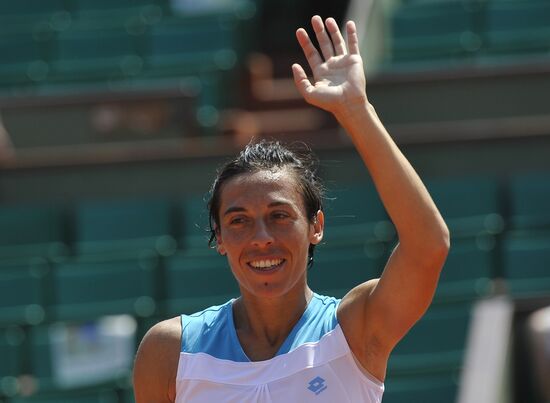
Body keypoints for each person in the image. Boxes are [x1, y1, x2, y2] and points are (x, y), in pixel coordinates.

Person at [133, 15, 450, 402]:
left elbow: (428, 245)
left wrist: (356, 110)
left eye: (279, 216)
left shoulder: (354, 329)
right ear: (218, 237)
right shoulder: (169, 350)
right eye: (239, 221)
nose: (261, 238)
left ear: (316, 226)